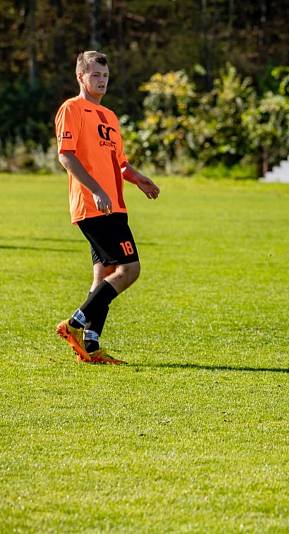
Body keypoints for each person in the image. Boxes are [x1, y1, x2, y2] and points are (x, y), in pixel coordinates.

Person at [54, 51, 160, 364]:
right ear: (80, 77)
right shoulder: (71, 109)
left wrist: (137, 178)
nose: (101, 81)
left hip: (114, 203)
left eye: (105, 76)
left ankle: (90, 345)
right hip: (94, 204)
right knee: (129, 269)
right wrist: (97, 190)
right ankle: (75, 323)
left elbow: (120, 162)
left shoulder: (110, 117)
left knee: (104, 274)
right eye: (95, 75)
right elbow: (66, 155)